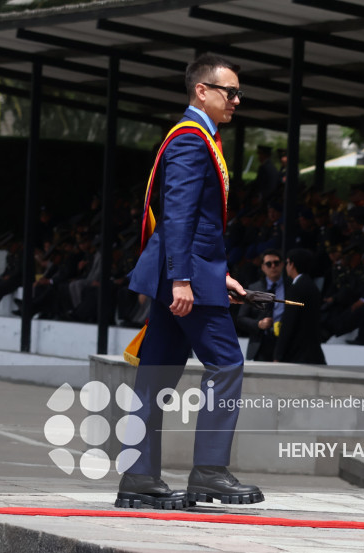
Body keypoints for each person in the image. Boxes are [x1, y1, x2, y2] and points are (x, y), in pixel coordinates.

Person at [116, 53, 263, 510]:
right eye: (230, 91)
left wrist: (222, 278)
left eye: (239, 93)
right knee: (227, 364)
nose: (237, 100)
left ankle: (139, 478)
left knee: (154, 376)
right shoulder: (191, 139)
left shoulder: (199, 137)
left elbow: (195, 223)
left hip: (189, 274)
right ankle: (210, 473)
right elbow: (176, 215)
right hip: (185, 278)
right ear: (202, 90)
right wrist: (184, 279)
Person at [274, 248, 326, 364]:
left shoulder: (296, 288)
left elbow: (289, 323)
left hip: (298, 354)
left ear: (292, 264)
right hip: (312, 352)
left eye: (287, 263)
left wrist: (278, 355)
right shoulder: (312, 286)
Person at [237, 249, 285, 361]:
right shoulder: (254, 288)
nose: (273, 266)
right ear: (263, 267)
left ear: (282, 265)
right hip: (260, 343)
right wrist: (259, 324)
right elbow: (241, 318)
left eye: (276, 263)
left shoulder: (289, 287)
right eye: (269, 264)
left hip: (283, 343)